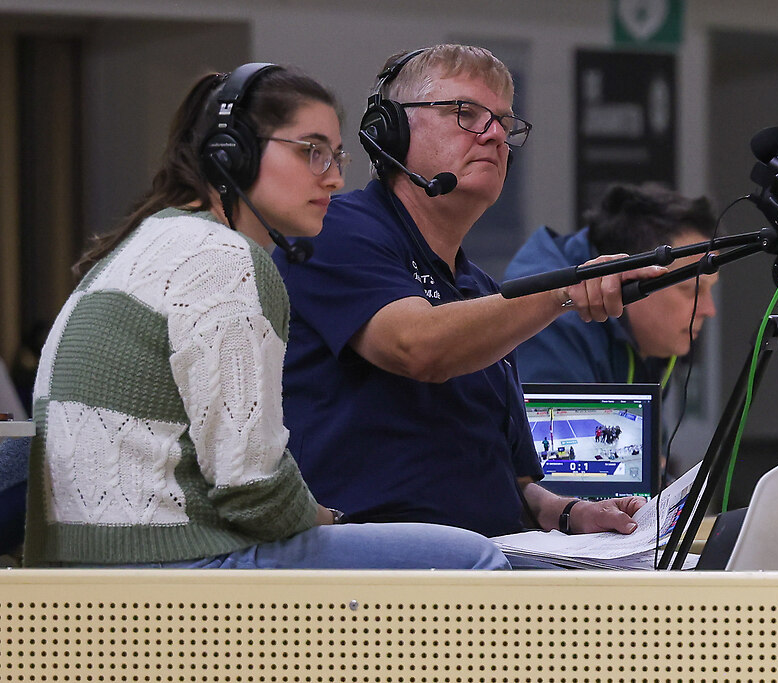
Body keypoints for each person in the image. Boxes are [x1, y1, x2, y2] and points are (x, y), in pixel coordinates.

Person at [23, 63, 507, 570]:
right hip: (170, 568)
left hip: (99, 569)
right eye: (311, 152)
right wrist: (335, 521)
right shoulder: (223, 260)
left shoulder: (153, 240)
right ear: (232, 152)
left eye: (336, 156)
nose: (335, 177)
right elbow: (253, 492)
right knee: (473, 559)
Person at [277, 45, 665, 542]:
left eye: (504, 121)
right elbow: (417, 346)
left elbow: (512, 482)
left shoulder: (479, 289)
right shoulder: (332, 230)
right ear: (389, 131)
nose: (495, 134)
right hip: (372, 559)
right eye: (465, 112)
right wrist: (561, 291)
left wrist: (570, 513)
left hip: (485, 558)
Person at [505, 183, 720, 388]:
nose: (709, 310)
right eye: (692, 289)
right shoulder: (551, 324)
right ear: (632, 277)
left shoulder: (651, 335)